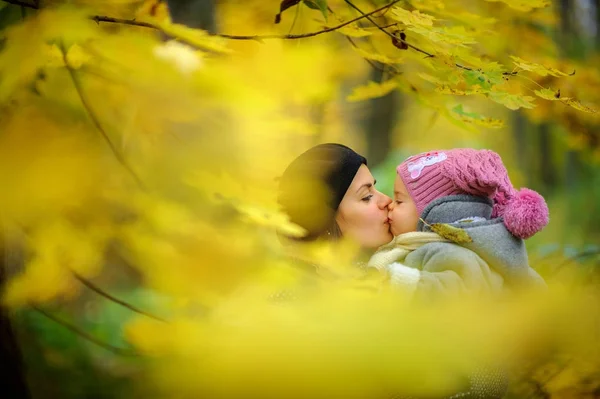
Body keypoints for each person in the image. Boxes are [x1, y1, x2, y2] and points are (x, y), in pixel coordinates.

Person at [368, 148, 548, 301]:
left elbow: (462, 290)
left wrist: (401, 283)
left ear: (437, 211)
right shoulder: (436, 244)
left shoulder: (449, 251)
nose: (390, 204)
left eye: (399, 201)